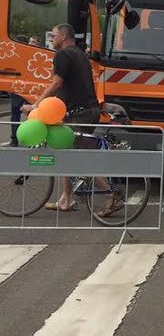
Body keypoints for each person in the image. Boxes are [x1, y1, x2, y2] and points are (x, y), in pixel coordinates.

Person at [22, 23, 103, 213]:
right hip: (88, 111)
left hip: (80, 113)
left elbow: (57, 83)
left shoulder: (62, 55)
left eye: (54, 35)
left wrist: (36, 105)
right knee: (67, 151)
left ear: (64, 37)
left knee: (77, 160)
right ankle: (65, 199)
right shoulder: (80, 54)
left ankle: (111, 195)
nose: (51, 39)